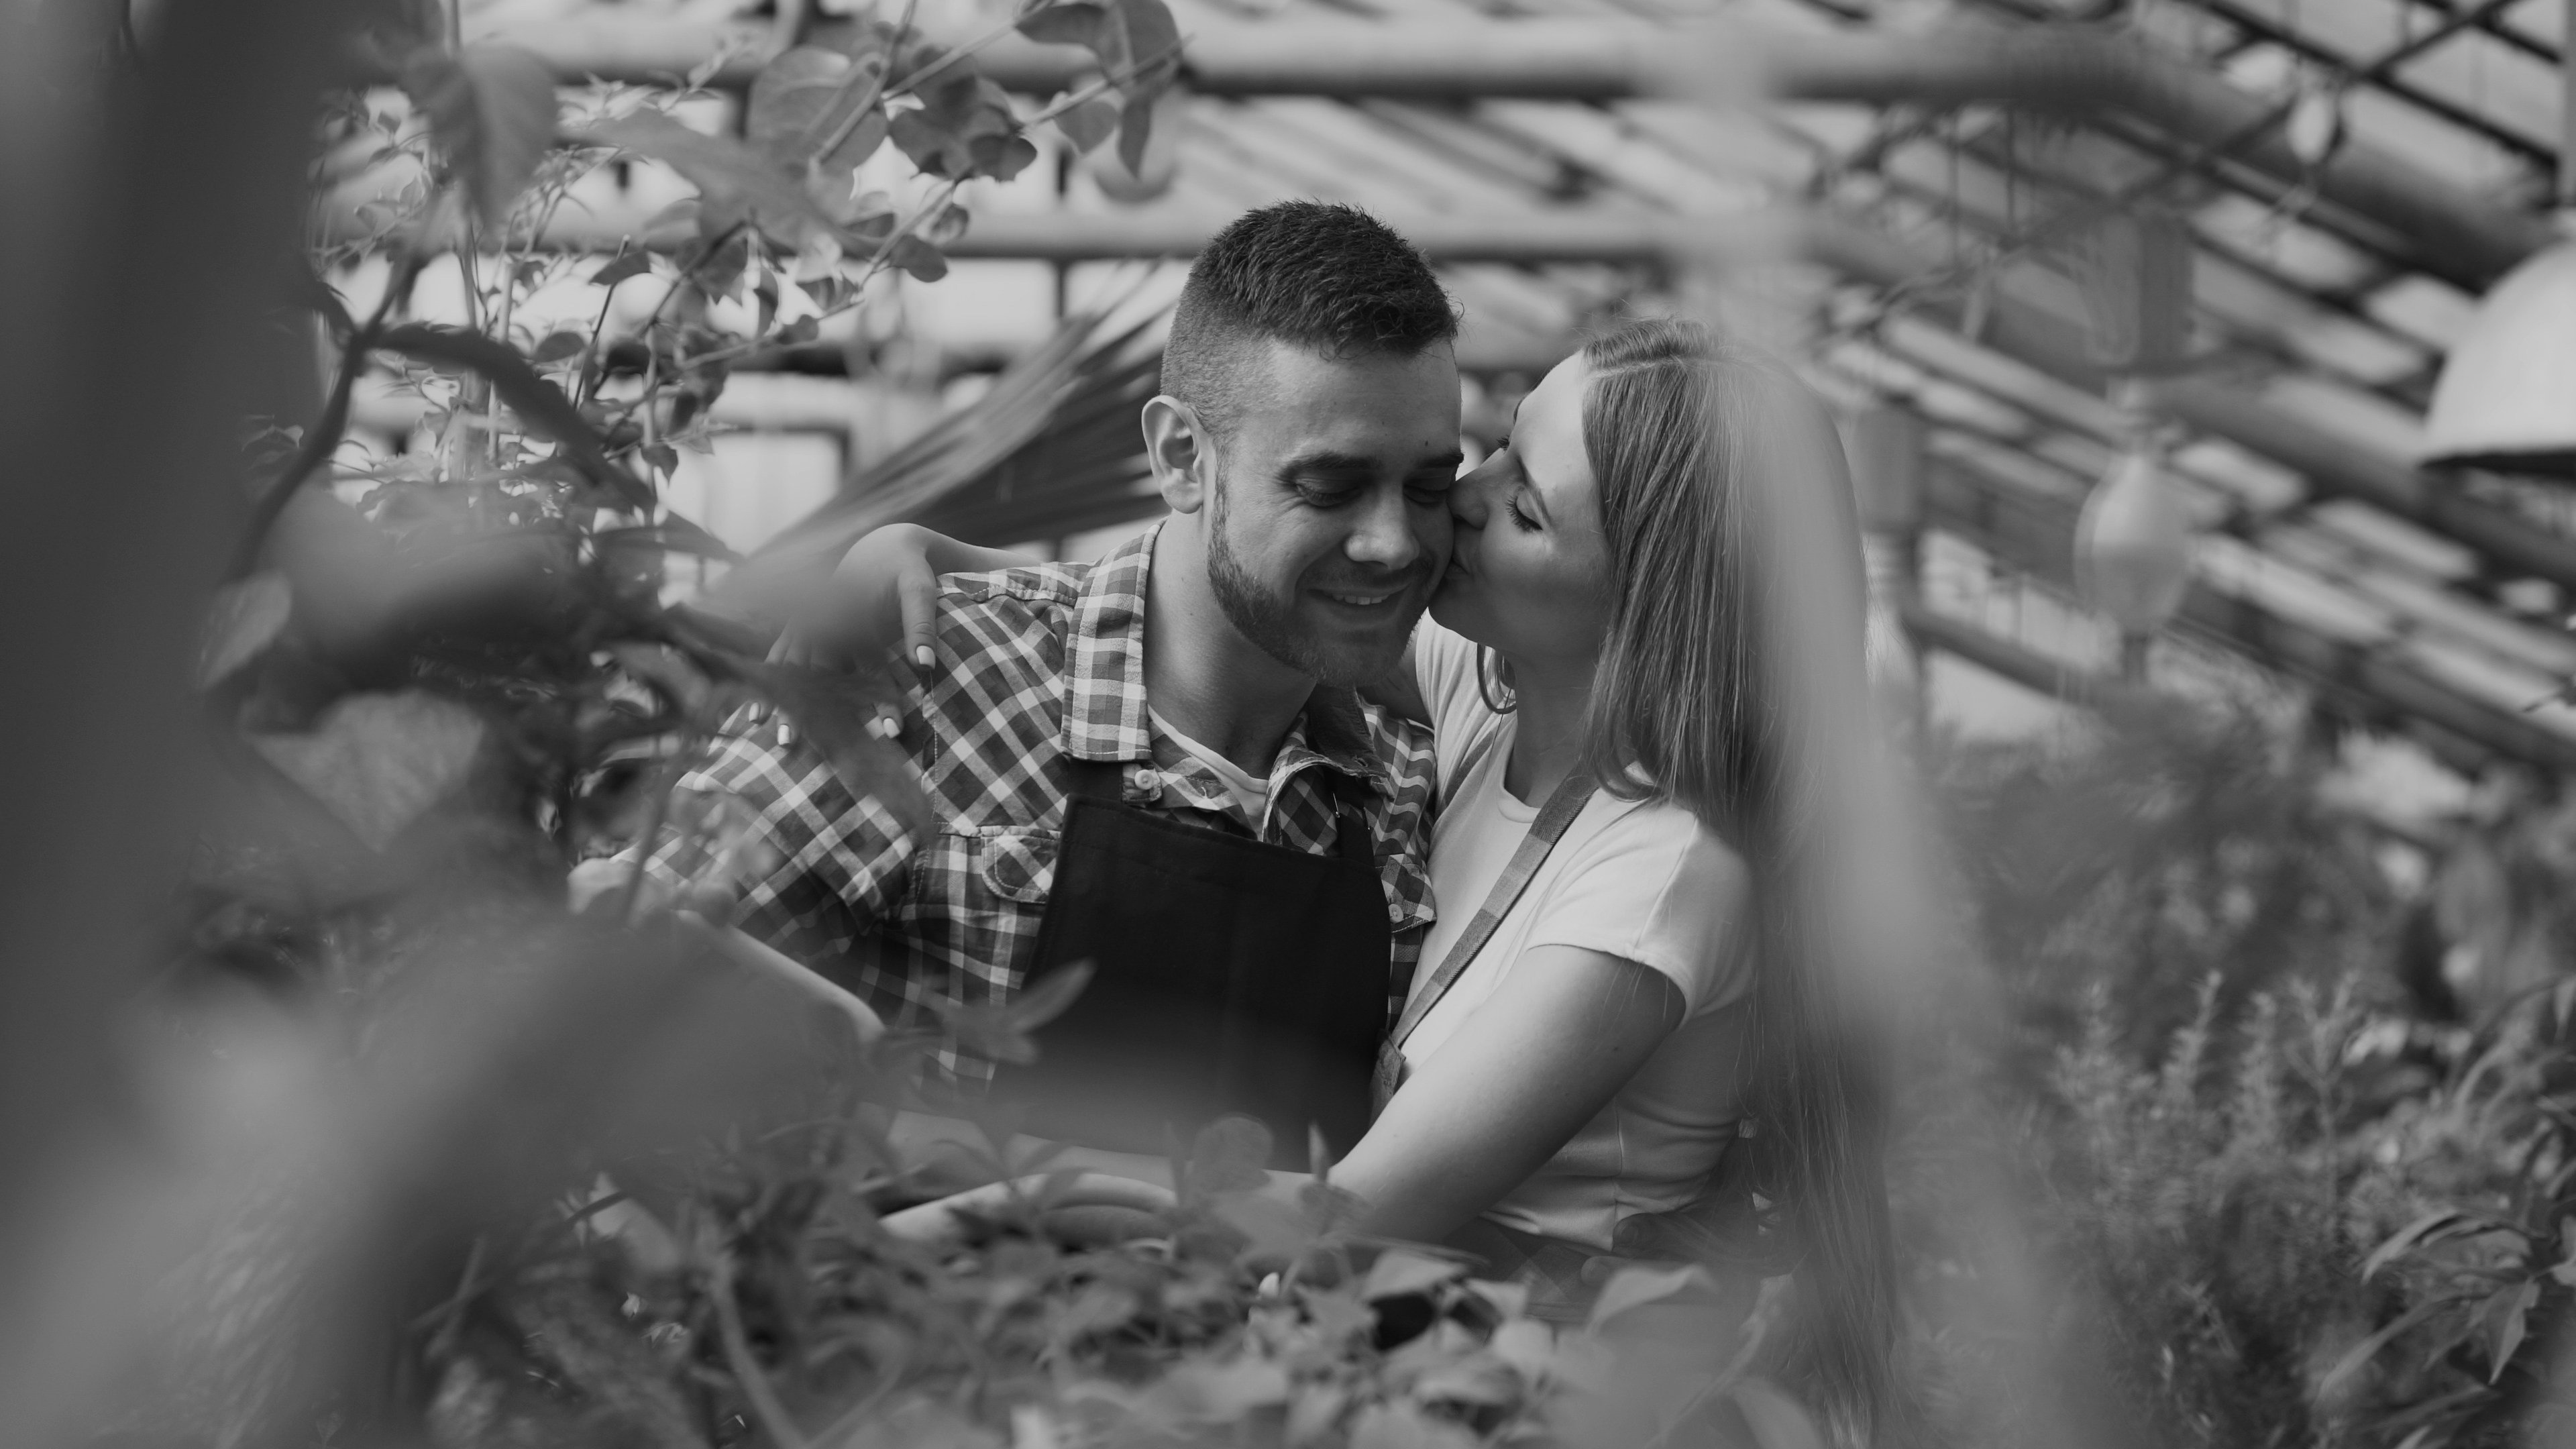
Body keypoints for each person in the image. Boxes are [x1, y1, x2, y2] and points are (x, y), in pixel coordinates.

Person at [835, 320, 1896, 1430]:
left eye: (1528, 509)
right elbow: (1237, 598)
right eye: (1501, 446)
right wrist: (927, 556)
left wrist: (954, 1171)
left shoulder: (1661, 875)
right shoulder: (1501, 697)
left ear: (1649, 606)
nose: (1464, 499)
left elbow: (1345, 1216)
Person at [584, 201, 1462, 1165]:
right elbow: (612, 970)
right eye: (1330, 487)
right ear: (1182, 457)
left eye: (1430, 488)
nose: (1393, 543)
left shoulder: (1408, 786)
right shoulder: (937, 680)